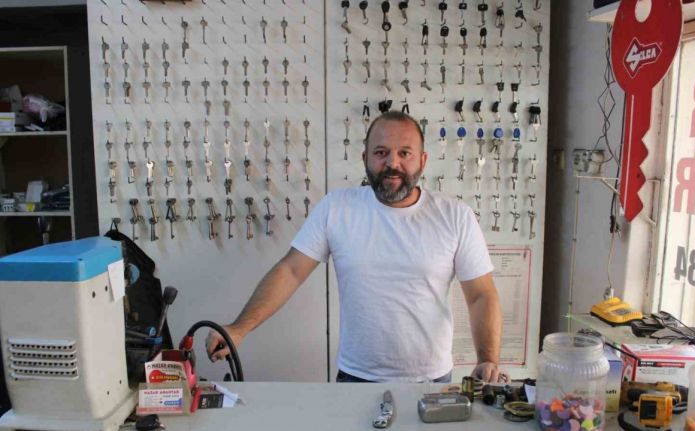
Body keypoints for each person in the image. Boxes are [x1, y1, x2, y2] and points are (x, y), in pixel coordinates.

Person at [207, 111, 506, 383]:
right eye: (381, 152)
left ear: (423, 160)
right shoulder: (337, 208)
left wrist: (488, 359)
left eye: (405, 153)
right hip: (356, 378)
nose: (392, 163)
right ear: (365, 157)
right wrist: (239, 328)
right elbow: (291, 271)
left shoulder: (455, 216)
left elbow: (480, 294)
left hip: (432, 380)